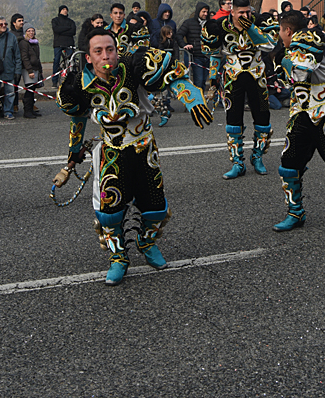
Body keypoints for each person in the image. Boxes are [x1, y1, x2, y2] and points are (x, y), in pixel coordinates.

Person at [57, 27, 211, 285]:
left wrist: (192, 97)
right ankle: (118, 257)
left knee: (156, 207)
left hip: (143, 147)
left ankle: (145, 241)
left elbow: (172, 76)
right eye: (99, 51)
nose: (106, 56)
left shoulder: (133, 65)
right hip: (112, 152)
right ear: (88, 57)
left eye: (110, 49)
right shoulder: (78, 84)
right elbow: (77, 119)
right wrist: (74, 153)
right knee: (109, 213)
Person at [272, 11, 325, 231]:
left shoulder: (307, 39)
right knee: (289, 162)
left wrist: (283, 62)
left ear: (287, 30)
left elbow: (300, 74)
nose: (280, 36)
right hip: (301, 111)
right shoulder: (294, 44)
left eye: (280, 31)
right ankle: (295, 212)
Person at [204, 0, 275, 178]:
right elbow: (215, 54)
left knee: (262, 116)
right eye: (240, 12)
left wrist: (251, 28)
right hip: (232, 77)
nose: (245, 15)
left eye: (247, 12)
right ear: (232, 12)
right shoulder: (220, 26)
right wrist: (212, 79)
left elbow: (269, 46)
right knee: (233, 119)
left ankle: (257, 157)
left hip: (257, 76)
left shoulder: (258, 22)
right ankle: (237, 163)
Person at [176, 2, 210, 90]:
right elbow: (179, 35)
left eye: (207, 12)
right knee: (198, 81)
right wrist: (184, 45)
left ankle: (202, 100)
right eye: (203, 12)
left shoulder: (209, 23)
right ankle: (198, 101)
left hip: (208, 56)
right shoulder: (188, 23)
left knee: (204, 81)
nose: (205, 14)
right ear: (198, 11)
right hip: (196, 56)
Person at [20, 25, 44, 118]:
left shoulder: (35, 43)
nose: (31, 33)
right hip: (28, 69)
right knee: (29, 90)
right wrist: (29, 70)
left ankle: (31, 109)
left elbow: (37, 57)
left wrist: (40, 69)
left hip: (36, 68)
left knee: (33, 89)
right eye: (29, 31)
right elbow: (25, 57)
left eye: (32, 31)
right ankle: (27, 111)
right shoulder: (24, 43)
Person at [51, 5, 77, 82]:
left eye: (66, 9)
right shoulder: (55, 20)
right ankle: (54, 80)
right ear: (60, 11)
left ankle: (75, 79)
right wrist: (67, 28)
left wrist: (61, 30)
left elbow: (73, 32)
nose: (65, 11)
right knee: (56, 60)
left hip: (69, 43)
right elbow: (56, 30)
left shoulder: (71, 21)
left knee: (72, 61)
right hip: (58, 43)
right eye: (63, 9)